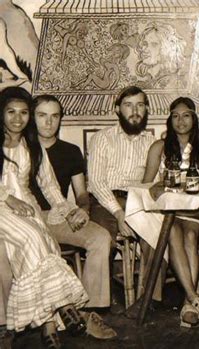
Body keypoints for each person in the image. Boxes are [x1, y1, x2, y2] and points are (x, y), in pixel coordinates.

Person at [0, 86, 89, 349]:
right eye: (11, 112)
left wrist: (67, 208)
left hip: (26, 205)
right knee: (33, 238)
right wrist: (8, 199)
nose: (18, 119)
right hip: (1, 205)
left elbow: (48, 184)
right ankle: (63, 305)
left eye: (24, 113)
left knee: (46, 243)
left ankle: (48, 325)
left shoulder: (32, 143)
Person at [29, 95, 116, 333]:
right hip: (27, 221)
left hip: (58, 217)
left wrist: (83, 209)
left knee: (100, 237)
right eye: (42, 115)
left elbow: (81, 193)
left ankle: (88, 312)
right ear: (32, 117)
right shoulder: (21, 149)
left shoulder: (70, 151)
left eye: (54, 116)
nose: (49, 122)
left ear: (60, 120)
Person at [142, 97, 199, 327]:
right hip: (169, 211)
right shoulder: (160, 146)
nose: (181, 121)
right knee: (173, 232)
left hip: (196, 209)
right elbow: (146, 183)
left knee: (190, 236)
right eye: (175, 116)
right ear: (169, 119)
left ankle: (189, 300)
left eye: (186, 115)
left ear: (194, 118)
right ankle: (194, 298)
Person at [87, 86, 164, 307]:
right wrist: (119, 213)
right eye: (128, 105)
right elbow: (96, 183)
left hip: (137, 201)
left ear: (146, 109)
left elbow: (157, 181)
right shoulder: (102, 138)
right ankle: (99, 300)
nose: (135, 111)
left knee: (156, 234)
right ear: (117, 109)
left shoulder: (152, 143)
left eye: (140, 105)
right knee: (103, 239)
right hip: (105, 201)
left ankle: (150, 299)